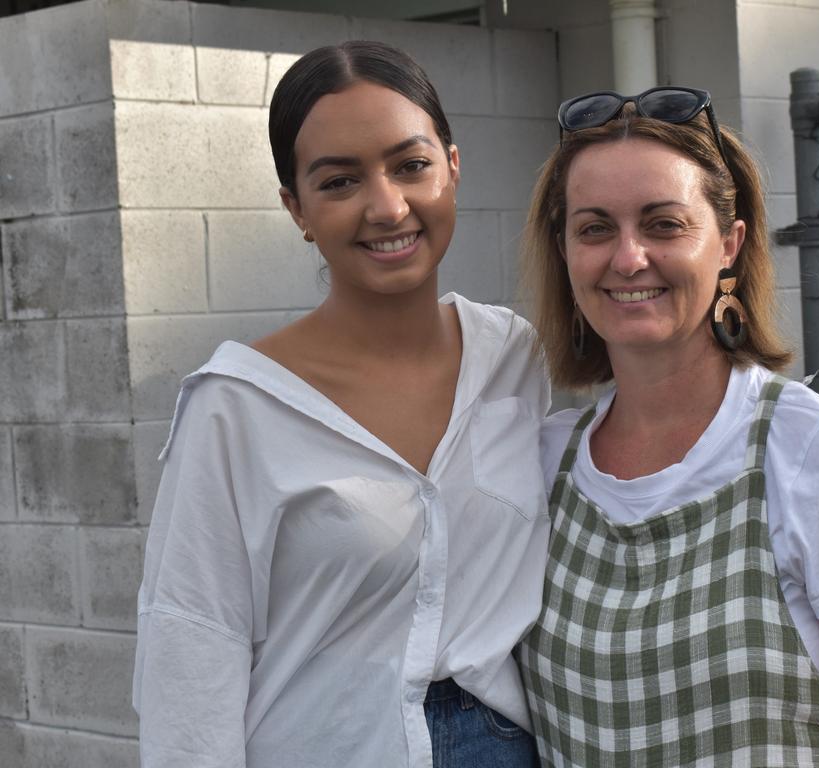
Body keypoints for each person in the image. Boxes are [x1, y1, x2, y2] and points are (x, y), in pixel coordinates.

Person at [133, 41, 548, 768]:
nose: (387, 207)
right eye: (339, 181)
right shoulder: (236, 406)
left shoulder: (512, 357)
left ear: (453, 167)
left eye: (411, 165)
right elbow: (192, 648)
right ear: (296, 208)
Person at [517, 87, 819, 766]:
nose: (628, 258)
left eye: (663, 224)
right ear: (566, 250)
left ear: (729, 243)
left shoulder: (814, 448)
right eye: (595, 227)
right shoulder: (544, 463)